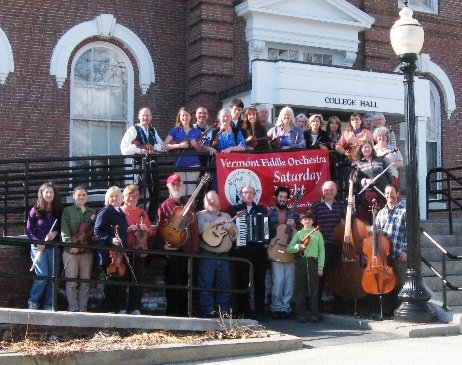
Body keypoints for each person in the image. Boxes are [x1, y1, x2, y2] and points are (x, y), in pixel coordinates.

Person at [156, 174, 200, 316]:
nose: (177, 186)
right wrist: (163, 245)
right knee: (173, 283)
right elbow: (159, 228)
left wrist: (194, 248)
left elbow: (193, 227)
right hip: (174, 251)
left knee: (188, 283)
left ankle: (188, 313)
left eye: (179, 184)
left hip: (188, 250)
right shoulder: (164, 206)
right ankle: (173, 314)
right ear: (168, 187)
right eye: (173, 184)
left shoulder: (189, 203)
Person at [229, 185, 268, 320]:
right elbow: (230, 226)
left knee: (260, 281)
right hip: (243, 250)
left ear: (254, 194)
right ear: (241, 194)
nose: (248, 195)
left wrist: (265, 239)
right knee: (243, 281)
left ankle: (260, 311)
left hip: (258, 250)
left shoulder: (261, 209)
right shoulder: (234, 209)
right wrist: (237, 217)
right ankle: (243, 311)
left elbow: (266, 227)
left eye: (251, 193)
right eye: (245, 192)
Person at [197, 190, 236, 317]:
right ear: (205, 201)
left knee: (224, 285)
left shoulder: (227, 216)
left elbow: (235, 235)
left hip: (224, 256)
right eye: (209, 199)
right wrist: (217, 221)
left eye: (214, 199)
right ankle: (208, 312)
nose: (212, 201)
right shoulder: (201, 215)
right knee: (206, 285)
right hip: (207, 255)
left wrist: (229, 229)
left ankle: (223, 312)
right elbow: (199, 229)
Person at [120, 107, 163, 217]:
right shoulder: (133, 129)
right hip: (140, 164)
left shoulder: (153, 130)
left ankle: (151, 217)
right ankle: (136, 216)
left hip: (153, 164)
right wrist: (140, 150)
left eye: (148, 115)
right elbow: (124, 147)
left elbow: (161, 146)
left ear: (151, 117)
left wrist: (153, 148)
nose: (145, 117)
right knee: (139, 190)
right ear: (139, 116)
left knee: (155, 189)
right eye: (143, 115)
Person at [26, 182, 62, 310]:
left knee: (52, 278)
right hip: (38, 248)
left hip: (53, 248)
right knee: (42, 276)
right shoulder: (35, 209)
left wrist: (55, 232)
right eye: (46, 192)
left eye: (51, 192)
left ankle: (49, 304)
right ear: (42, 194)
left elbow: (60, 227)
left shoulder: (57, 209)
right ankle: (33, 301)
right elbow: (29, 230)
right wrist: (37, 242)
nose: (49, 194)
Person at [310, 181, 346, 308]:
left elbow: (349, 221)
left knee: (338, 275)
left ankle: (339, 305)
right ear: (322, 191)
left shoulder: (341, 205)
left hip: (338, 245)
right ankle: (316, 306)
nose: (329, 192)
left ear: (336, 191)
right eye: (326, 190)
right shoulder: (315, 206)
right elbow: (309, 225)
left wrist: (351, 208)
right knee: (320, 275)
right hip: (323, 246)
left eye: (332, 190)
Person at [94, 186, 129, 314]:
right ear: (107, 198)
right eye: (111, 196)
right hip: (108, 253)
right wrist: (111, 239)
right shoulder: (106, 211)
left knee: (119, 282)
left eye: (117, 196)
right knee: (111, 282)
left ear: (121, 198)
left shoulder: (120, 212)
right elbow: (97, 230)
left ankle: (120, 308)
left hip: (119, 253)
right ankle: (110, 310)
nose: (114, 198)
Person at [120, 184, 154, 315]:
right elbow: (115, 228)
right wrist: (128, 229)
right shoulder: (119, 211)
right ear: (124, 196)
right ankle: (122, 306)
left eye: (135, 197)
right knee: (122, 279)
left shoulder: (141, 213)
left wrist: (145, 229)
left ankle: (135, 307)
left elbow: (150, 230)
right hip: (122, 250)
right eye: (130, 196)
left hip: (138, 249)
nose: (132, 199)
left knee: (137, 278)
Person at [61, 186, 94, 312]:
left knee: (85, 282)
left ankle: (83, 309)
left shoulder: (91, 213)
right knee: (71, 282)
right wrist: (70, 245)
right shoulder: (67, 211)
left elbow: (93, 232)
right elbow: (64, 230)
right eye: (78, 195)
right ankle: (73, 308)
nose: (81, 197)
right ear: (74, 196)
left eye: (83, 195)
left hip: (87, 251)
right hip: (71, 251)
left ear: (86, 197)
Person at [375, 184, 407, 316]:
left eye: (392, 193)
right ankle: (388, 311)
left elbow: (409, 232)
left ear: (397, 194)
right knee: (387, 284)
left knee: (401, 282)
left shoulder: (404, 211)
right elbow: (376, 233)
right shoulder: (380, 213)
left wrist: (406, 250)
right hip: (384, 256)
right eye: (387, 193)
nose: (389, 195)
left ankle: (402, 310)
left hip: (399, 253)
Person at [287, 210, 325, 323]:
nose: (307, 221)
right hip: (300, 261)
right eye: (305, 219)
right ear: (301, 221)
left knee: (313, 289)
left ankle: (314, 314)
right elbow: (289, 248)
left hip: (313, 261)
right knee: (300, 289)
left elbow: (321, 251)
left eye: (309, 219)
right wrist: (298, 246)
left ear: (312, 221)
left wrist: (320, 267)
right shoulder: (299, 234)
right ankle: (301, 314)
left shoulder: (317, 233)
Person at [267, 186, 298, 319]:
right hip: (276, 250)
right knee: (278, 281)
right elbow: (266, 232)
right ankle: (276, 307)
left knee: (289, 281)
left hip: (290, 250)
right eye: (281, 197)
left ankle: (286, 307)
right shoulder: (270, 213)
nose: (283, 199)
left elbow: (300, 233)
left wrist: (295, 225)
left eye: (285, 197)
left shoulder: (294, 214)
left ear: (288, 199)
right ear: (276, 197)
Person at [162, 107, 204, 196]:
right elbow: (164, 146)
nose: (185, 117)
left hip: (194, 164)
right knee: (179, 191)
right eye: (183, 115)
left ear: (190, 117)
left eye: (187, 115)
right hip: (179, 164)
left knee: (191, 192)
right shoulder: (175, 130)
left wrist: (195, 145)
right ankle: (181, 210)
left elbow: (200, 150)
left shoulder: (197, 132)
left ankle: (190, 210)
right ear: (179, 117)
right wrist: (179, 145)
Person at [354, 141, 392, 224]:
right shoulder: (357, 164)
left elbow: (388, 175)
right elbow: (355, 179)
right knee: (369, 217)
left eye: (369, 147)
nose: (367, 149)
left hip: (382, 191)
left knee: (385, 214)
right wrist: (365, 180)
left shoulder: (380, 160)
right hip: (368, 194)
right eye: (365, 147)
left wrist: (391, 187)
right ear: (361, 149)